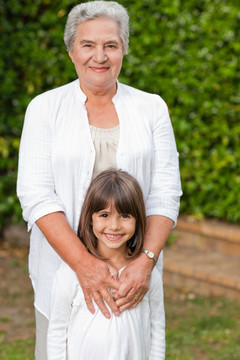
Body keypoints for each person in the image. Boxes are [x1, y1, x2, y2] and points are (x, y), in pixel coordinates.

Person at [17, 1, 182, 358]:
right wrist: (84, 265)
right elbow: (36, 195)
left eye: (111, 45)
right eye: (88, 44)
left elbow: (166, 193)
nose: (100, 56)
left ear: (124, 49)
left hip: (133, 278)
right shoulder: (44, 109)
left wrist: (145, 261)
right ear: (71, 50)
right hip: (60, 274)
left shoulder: (152, 108)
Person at [47, 169, 165, 360]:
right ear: (90, 218)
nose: (114, 225)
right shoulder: (69, 273)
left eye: (125, 215)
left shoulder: (147, 275)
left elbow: (157, 328)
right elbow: (57, 332)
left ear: (138, 220)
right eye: (104, 215)